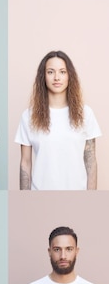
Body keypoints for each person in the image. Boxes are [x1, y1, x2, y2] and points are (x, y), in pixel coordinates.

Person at [16, 51, 101, 190]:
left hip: (76, 197)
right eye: (50, 72)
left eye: (62, 72)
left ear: (69, 76)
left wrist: (90, 198)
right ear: (43, 77)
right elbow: (25, 163)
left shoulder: (85, 113)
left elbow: (90, 162)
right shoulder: (29, 116)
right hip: (40, 199)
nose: (56, 77)